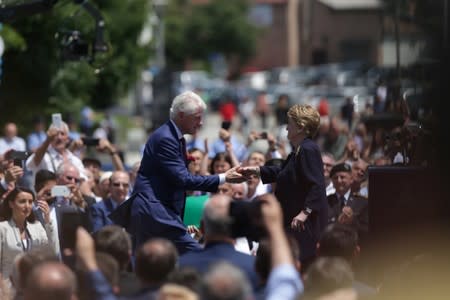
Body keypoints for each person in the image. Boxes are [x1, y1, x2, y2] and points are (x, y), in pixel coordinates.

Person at [111, 91, 244, 255]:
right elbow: (183, 180)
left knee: (151, 264)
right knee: (199, 253)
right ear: (181, 115)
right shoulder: (166, 138)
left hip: (156, 212)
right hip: (156, 213)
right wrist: (224, 178)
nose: (201, 123)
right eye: (197, 117)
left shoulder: (172, 136)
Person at [239, 104, 328, 265]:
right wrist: (257, 171)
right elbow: (283, 172)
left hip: (302, 227)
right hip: (293, 223)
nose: (287, 128)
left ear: (300, 127)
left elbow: (317, 185)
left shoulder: (308, 149)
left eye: (290, 123)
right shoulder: (299, 150)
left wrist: (305, 213)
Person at [0, 187, 57, 283]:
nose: (27, 206)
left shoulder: (37, 226)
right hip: (9, 288)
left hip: (33, 286)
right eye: (22, 201)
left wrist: (48, 222)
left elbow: (52, 252)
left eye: (30, 202)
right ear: (11, 204)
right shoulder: (2, 228)